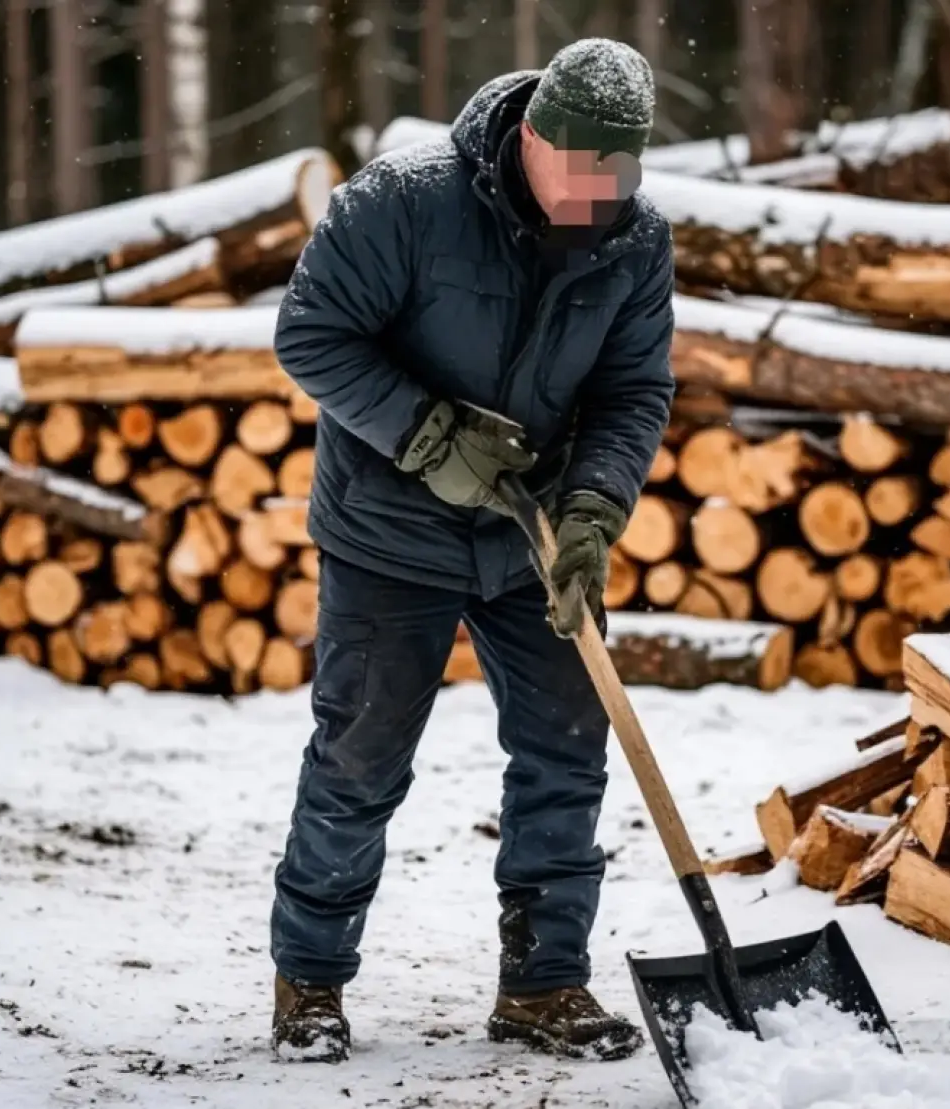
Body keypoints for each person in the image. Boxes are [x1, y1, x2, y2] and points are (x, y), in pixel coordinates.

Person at [269, 37, 675, 1064]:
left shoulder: (635, 238)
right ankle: (310, 978)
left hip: (533, 530)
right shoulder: (404, 200)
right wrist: (429, 438)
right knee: (360, 757)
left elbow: (633, 392)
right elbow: (311, 334)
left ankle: (544, 984)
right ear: (533, 135)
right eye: (585, 169)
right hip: (387, 530)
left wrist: (593, 509)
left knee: (566, 751)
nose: (601, 194)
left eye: (620, 172)